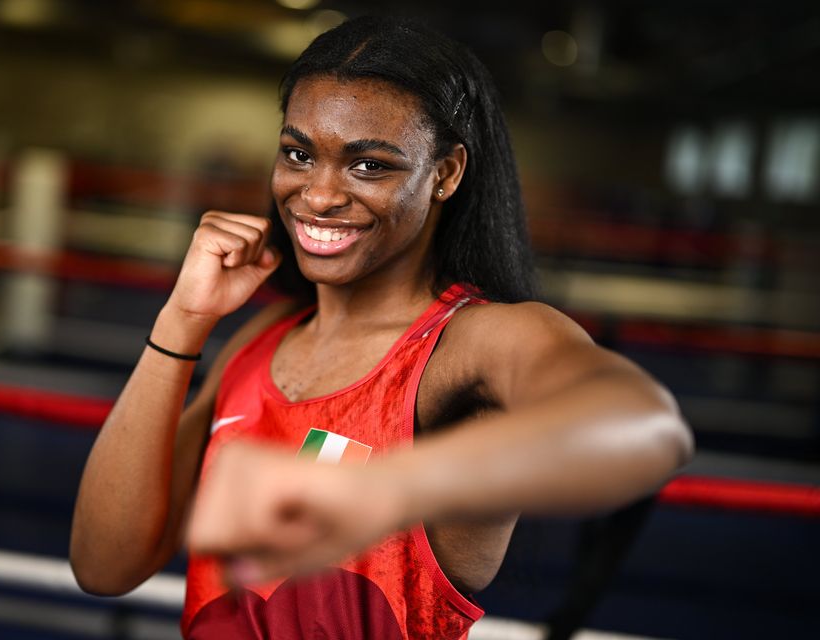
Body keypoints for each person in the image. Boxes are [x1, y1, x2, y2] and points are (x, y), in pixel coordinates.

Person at [70, 16, 693, 640]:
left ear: (446, 174)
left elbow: (647, 424)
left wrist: (389, 488)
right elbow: (104, 565)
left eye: (369, 166)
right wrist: (182, 319)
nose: (317, 195)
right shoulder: (263, 338)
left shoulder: (473, 345)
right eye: (298, 154)